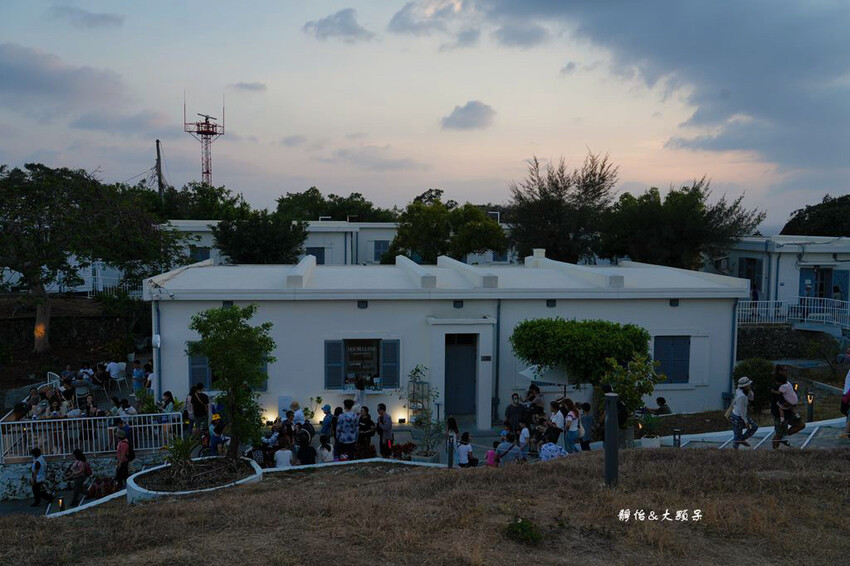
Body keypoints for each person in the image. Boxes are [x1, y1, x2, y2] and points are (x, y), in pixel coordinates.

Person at [730, 376, 758, 449]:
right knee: (737, 435)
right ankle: (735, 450)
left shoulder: (740, 390)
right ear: (745, 386)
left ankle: (741, 439)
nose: (750, 385)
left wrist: (749, 390)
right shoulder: (742, 396)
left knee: (754, 427)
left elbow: (751, 398)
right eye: (749, 385)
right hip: (738, 417)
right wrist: (746, 421)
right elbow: (742, 410)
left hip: (737, 415)